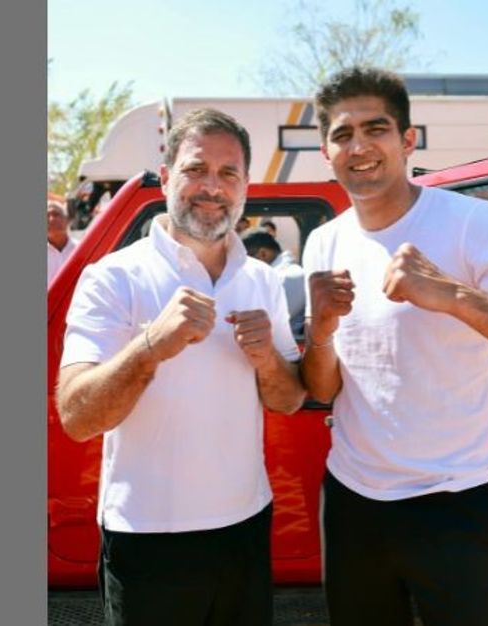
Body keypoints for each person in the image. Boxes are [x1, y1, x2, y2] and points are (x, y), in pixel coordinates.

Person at [301, 67, 488, 626]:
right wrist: (319, 331)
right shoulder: (325, 240)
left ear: (408, 139)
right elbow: (324, 387)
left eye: (377, 128)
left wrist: (454, 295)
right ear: (326, 150)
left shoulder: (471, 224)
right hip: (352, 503)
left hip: (455, 504)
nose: (359, 146)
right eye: (343, 134)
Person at [57, 108, 306, 626]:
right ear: (167, 176)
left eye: (228, 173)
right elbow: (77, 417)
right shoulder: (112, 277)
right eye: (196, 169)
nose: (211, 187)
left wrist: (265, 361)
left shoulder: (261, 279)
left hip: (245, 525)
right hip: (147, 536)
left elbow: (289, 398)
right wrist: (150, 346)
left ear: (245, 187)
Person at [241, 229, 306, 337]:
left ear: (263, 254)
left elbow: (267, 322)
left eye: (246, 261)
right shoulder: (275, 276)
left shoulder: (290, 277)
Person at [47, 200, 77, 286]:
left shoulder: (82, 249)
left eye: (56, 214)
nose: (51, 219)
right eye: (46, 216)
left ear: (67, 220)